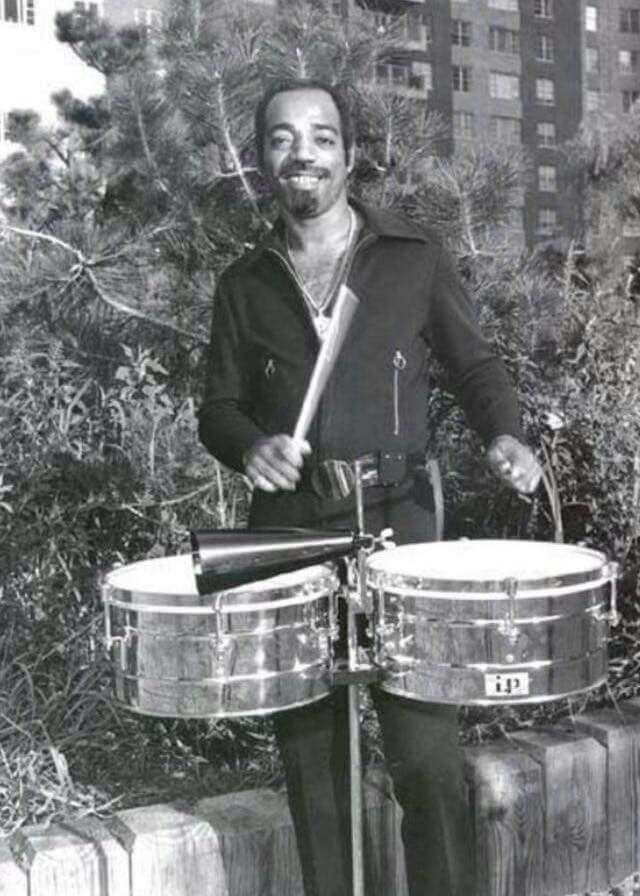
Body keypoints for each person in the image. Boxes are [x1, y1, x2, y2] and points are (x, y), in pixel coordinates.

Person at [198, 78, 542, 896]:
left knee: (427, 755)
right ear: (262, 162)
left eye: (320, 136)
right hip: (288, 533)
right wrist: (250, 447)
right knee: (315, 761)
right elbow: (216, 408)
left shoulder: (410, 256)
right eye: (282, 139)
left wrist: (505, 433)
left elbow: (475, 365)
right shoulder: (245, 283)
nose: (302, 153)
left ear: (350, 154)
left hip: (399, 526)